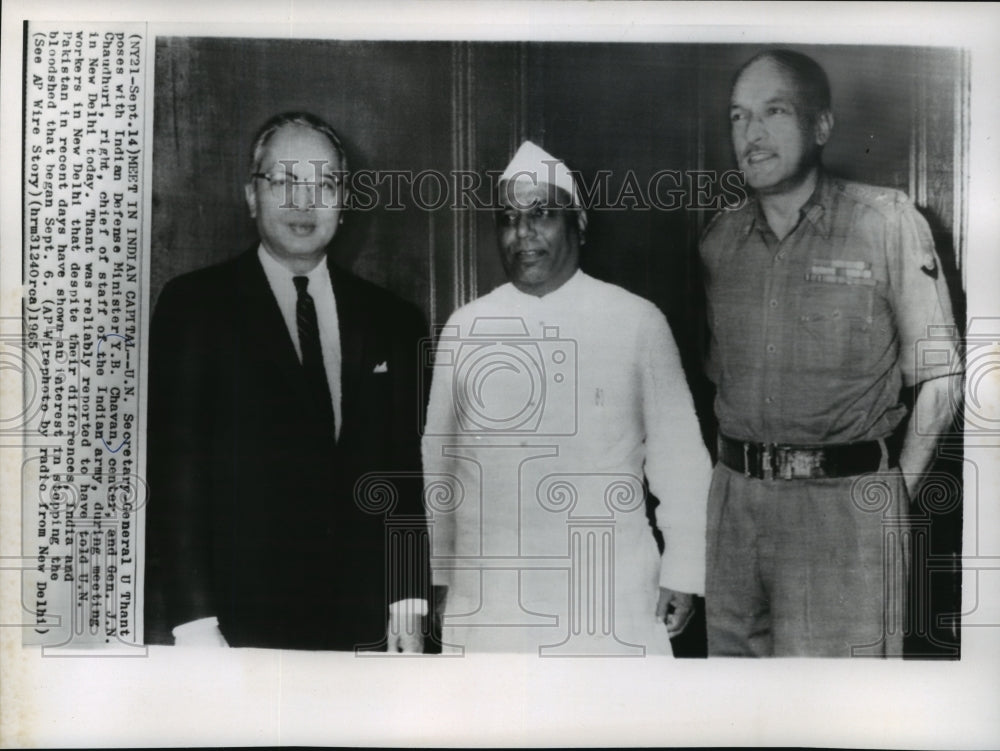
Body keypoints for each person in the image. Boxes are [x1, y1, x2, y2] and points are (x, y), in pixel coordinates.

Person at [700, 50, 962, 657]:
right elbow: (721, 381)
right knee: (732, 714)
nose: (752, 135)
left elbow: (943, 378)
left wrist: (890, 497)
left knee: (834, 710)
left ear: (821, 126)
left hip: (842, 515)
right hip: (736, 507)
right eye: (738, 118)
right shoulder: (719, 240)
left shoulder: (885, 221)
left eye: (773, 112)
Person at [144, 112, 430, 652]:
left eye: (324, 184)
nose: (305, 203)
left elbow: (403, 474)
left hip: (364, 628)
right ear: (252, 196)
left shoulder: (393, 320)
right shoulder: (195, 307)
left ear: (344, 202)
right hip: (234, 629)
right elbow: (176, 475)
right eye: (286, 182)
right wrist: (195, 624)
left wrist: (409, 606)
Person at [422, 141, 712, 655]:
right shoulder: (465, 327)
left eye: (541, 215)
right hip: (491, 598)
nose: (522, 234)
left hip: (606, 594)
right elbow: (439, 464)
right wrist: (441, 573)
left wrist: (685, 569)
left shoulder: (637, 321)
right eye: (508, 218)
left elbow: (681, 459)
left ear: (578, 223)